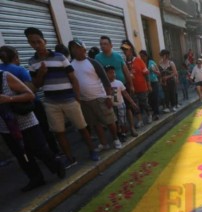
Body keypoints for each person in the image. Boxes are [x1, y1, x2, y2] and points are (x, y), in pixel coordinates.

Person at [24, 26, 98, 166]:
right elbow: (36, 85)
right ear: (29, 44)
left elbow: (73, 78)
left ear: (44, 41)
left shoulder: (60, 57)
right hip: (51, 102)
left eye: (38, 41)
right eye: (32, 42)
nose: (36, 45)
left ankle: (92, 150)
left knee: (82, 127)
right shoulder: (32, 62)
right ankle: (70, 158)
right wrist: (41, 74)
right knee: (59, 132)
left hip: (69, 99)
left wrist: (76, 97)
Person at [0, 70, 65, 191]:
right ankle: (36, 178)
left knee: (40, 150)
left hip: (26, 123)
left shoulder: (4, 76)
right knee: (21, 155)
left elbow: (30, 95)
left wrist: (8, 99)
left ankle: (56, 165)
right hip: (6, 128)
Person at [0, 45, 59, 156]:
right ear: (16, 56)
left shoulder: (1, 70)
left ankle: (31, 155)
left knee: (22, 136)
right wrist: (41, 74)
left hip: (8, 111)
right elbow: (32, 88)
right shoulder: (19, 70)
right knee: (43, 130)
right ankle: (53, 153)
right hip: (28, 106)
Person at [68, 39, 122, 151]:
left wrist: (108, 97)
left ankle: (116, 139)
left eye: (78, 47)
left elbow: (106, 80)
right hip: (84, 100)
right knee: (95, 124)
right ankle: (103, 143)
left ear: (84, 49)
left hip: (100, 97)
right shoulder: (70, 65)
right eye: (74, 48)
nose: (77, 50)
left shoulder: (93, 62)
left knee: (109, 120)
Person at [96, 36, 136, 136]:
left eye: (105, 44)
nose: (103, 46)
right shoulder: (97, 58)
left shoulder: (118, 56)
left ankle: (132, 127)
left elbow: (126, 71)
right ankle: (119, 131)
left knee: (127, 108)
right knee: (113, 110)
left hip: (121, 86)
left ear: (111, 45)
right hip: (108, 89)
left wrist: (131, 85)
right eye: (101, 44)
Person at [121, 39, 150, 130]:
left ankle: (149, 115)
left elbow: (146, 74)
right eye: (124, 50)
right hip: (131, 89)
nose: (125, 52)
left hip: (142, 87)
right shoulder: (124, 62)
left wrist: (149, 85)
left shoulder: (138, 60)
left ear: (131, 50)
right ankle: (140, 120)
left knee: (144, 103)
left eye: (126, 49)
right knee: (135, 105)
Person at [104, 65, 139, 141]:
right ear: (105, 74)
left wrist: (132, 102)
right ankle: (118, 133)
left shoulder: (119, 83)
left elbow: (125, 93)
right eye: (109, 73)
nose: (112, 74)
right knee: (114, 121)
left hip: (120, 105)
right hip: (111, 106)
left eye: (113, 72)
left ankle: (123, 133)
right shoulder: (103, 84)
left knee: (122, 120)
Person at [140, 50, 160, 121]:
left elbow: (158, 73)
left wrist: (153, 71)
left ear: (146, 56)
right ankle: (151, 113)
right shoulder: (141, 63)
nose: (142, 57)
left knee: (155, 97)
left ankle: (157, 113)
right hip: (145, 83)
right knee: (149, 99)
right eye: (141, 56)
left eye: (143, 56)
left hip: (154, 82)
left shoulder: (151, 62)